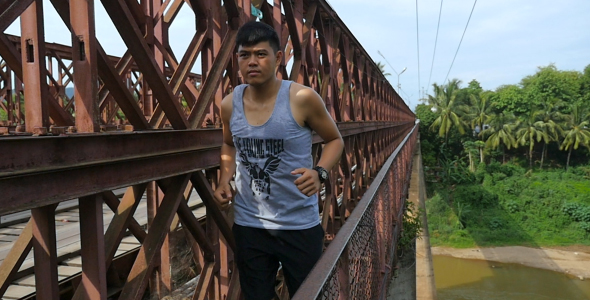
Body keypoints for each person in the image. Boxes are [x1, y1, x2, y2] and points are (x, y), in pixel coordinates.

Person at [213, 21, 344, 299]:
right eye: (244, 55)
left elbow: (335, 140)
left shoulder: (301, 99)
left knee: (308, 295)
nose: (252, 62)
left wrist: (319, 172)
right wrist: (225, 178)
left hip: (298, 224)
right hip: (250, 224)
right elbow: (227, 144)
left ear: (278, 58)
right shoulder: (229, 104)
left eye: (261, 54)